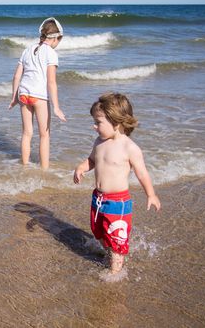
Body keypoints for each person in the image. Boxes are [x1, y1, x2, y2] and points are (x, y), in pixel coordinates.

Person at [73, 92, 161, 280]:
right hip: (98, 198)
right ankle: (111, 253)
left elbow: (142, 173)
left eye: (98, 122)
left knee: (116, 237)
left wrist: (151, 195)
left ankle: (115, 271)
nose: (94, 126)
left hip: (117, 203)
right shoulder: (99, 142)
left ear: (116, 122)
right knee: (99, 232)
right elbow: (91, 160)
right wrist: (82, 167)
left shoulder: (130, 148)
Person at [8, 17, 66, 170]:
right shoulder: (51, 53)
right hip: (39, 96)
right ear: (55, 38)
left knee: (27, 133)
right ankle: (44, 169)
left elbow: (16, 76)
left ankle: (25, 165)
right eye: (59, 40)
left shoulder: (27, 50)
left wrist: (14, 97)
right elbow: (51, 82)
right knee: (44, 135)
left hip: (23, 94)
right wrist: (56, 107)